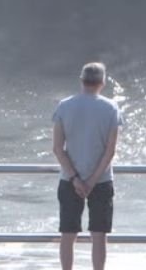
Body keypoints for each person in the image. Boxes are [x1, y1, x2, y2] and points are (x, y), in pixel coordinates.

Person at [52, 61, 123, 270]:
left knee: (68, 234)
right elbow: (110, 150)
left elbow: (58, 148)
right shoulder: (110, 107)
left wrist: (75, 178)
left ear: (81, 81)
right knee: (99, 235)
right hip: (101, 180)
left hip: (69, 179)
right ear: (102, 82)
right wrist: (91, 181)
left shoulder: (64, 106)